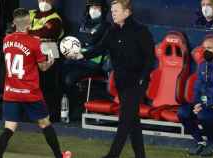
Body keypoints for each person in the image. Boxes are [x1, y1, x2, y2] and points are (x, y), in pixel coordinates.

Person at [68, 0, 155, 157]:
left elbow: (150, 58)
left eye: (116, 11)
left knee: (124, 120)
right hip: (121, 82)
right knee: (132, 121)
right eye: (112, 11)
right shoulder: (113, 31)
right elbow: (100, 48)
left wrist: (143, 78)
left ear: (127, 12)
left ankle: (112, 155)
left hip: (136, 83)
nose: (112, 13)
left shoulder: (141, 31)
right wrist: (81, 55)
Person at [0, 8, 71, 158]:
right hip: (30, 93)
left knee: (9, 128)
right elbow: (42, 67)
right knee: (44, 123)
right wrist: (51, 60)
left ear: (15, 23)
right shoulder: (34, 42)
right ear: (29, 23)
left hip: (11, 92)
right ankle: (59, 156)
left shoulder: (6, 40)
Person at [61, 0, 111, 121]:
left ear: (103, 9)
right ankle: (64, 108)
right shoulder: (83, 24)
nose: (93, 10)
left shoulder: (106, 27)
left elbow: (97, 45)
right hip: (77, 61)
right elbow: (77, 41)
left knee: (69, 79)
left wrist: (85, 52)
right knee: (60, 71)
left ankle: (78, 109)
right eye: (91, 7)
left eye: (97, 7)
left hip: (93, 65)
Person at [29, 0, 65, 121]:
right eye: (41, 0)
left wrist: (28, 32)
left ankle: (51, 115)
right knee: (32, 84)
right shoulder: (31, 13)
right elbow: (15, 28)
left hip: (50, 49)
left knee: (49, 84)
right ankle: (34, 114)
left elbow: (46, 33)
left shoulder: (55, 18)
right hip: (32, 50)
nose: (43, 2)